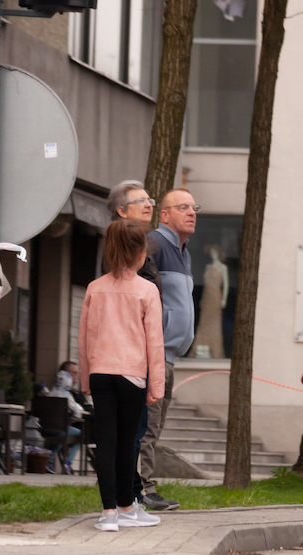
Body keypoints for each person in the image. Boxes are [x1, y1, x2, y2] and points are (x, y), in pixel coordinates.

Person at [78, 219, 164, 531]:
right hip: (132, 375)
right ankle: (127, 506)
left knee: (106, 441)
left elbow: (85, 338)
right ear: (141, 253)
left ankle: (109, 513)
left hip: (100, 373)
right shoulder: (147, 290)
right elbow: (154, 341)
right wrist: (156, 385)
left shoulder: (94, 288)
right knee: (127, 442)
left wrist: (85, 379)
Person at [138, 188, 197, 511]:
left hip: (170, 355)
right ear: (164, 215)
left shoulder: (184, 252)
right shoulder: (155, 244)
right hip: (154, 353)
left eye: (194, 207)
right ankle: (141, 489)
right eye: (183, 207)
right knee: (147, 426)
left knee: (155, 426)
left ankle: (141, 486)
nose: (191, 213)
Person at [46, 370, 87, 473]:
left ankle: (49, 459)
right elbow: (77, 414)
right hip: (60, 430)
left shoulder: (50, 393)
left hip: (44, 428)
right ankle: (67, 463)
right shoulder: (67, 395)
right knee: (80, 435)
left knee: (63, 432)